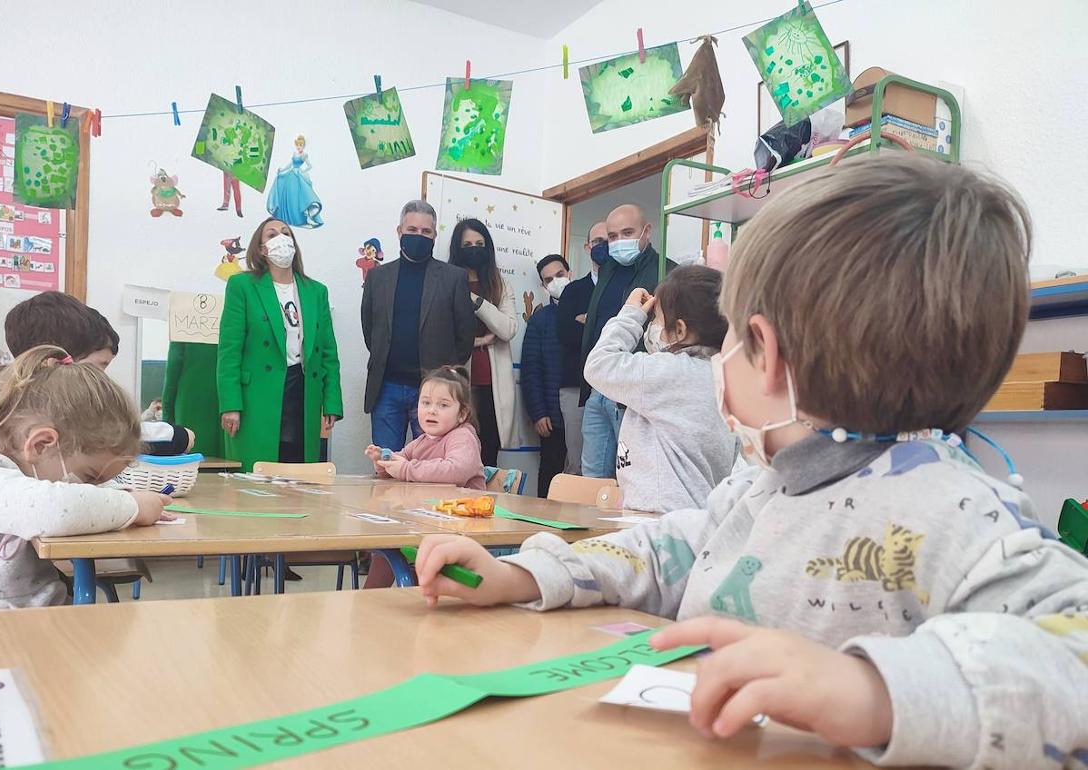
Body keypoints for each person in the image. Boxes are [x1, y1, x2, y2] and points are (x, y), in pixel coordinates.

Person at [410, 155, 1088, 768]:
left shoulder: (956, 510)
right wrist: (526, 575)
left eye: (730, 332)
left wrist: (876, 689)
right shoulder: (762, 485)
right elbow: (662, 551)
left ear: (762, 350)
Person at [0, 346, 174, 615]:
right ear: (40, 445)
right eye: (90, 477)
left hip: (7, 615)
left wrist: (123, 494)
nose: (88, 490)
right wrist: (132, 506)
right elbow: (53, 508)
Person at [583, 267, 736, 513]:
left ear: (680, 331)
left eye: (657, 320)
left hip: (656, 516)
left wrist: (631, 315)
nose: (652, 327)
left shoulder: (669, 371)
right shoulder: (726, 376)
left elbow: (598, 365)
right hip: (698, 518)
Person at [4, 292, 195, 456]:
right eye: (99, 367)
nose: (102, 378)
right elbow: (116, 435)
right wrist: (180, 436)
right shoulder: (59, 412)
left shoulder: (8, 407)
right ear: (54, 365)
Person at [218, 217, 342, 468]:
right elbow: (229, 351)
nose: (281, 238)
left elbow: (328, 352)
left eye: (286, 233)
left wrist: (331, 401)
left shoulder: (316, 291)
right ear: (261, 249)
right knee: (258, 471)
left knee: (298, 468)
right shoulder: (242, 285)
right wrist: (230, 404)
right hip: (258, 395)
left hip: (304, 389)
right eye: (272, 234)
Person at [361, 200, 473, 451]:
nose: (418, 236)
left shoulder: (454, 278)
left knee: (433, 469)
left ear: (434, 235)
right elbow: (370, 329)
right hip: (386, 389)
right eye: (412, 230)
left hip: (435, 391)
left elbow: (465, 336)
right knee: (385, 469)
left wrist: (446, 373)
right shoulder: (378, 277)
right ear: (399, 232)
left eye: (426, 232)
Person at [364, 366, 484, 589]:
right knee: (387, 543)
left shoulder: (462, 436)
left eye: (443, 405)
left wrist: (406, 469)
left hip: (462, 528)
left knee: (398, 545)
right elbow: (402, 458)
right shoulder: (424, 440)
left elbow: (455, 470)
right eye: (425, 403)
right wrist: (384, 460)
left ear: (462, 413)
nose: (432, 411)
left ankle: (408, 599)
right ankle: (368, 601)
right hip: (430, 523)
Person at [579, 204, 674, 478]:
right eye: (613, 236)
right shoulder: (607, 271)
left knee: (632, 478)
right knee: (592, 476)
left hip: (633, 392)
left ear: (647, 232)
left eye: (627, 232)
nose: (619, 241)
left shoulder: (667, 274)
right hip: (598, 388)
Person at [447, 218, 519, 466]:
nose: (474, 248)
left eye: (479, 243)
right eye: (467, 244)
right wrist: (479, 340)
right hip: (457, 381)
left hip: (491, 382)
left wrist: (476, 302)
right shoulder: (446, 282)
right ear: (457, 248)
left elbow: (508, 329)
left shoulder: (500, 283)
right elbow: (443, 334)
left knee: (488, 453)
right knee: (457, 452)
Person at [555, 221, 608, 475]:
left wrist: (589, 322)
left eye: (610, 239)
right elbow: (565, 334)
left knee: (612, 467)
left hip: (615, 389)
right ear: (587, 247)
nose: (604, 245)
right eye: (598, 241)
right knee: (577, 464)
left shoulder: (625, 287)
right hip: (576, 387)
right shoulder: (573, 291)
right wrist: (604, 326)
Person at [521, 255, 573, 497]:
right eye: (549, 279)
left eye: (560, 275)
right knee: (550, 475)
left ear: (570, 273)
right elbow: (531, 369)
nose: (556, 281)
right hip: (552, 417)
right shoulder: (540, 320)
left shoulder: (587, 310)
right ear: (543, 285)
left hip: (583, 413)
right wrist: (538, 412)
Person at [266, 135, 323, 228]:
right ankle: (288, 217)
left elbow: (309, 166)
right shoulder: (294, 154)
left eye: (301, 145)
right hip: (291, 174)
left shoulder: (304, 155)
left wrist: (302, 171)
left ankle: (300, 217)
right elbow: (290, 164)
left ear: (303, 145)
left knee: (298, 196)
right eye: (298, 145)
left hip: (298, 175)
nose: (299, 147)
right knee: (289, 195)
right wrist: (282, 169)